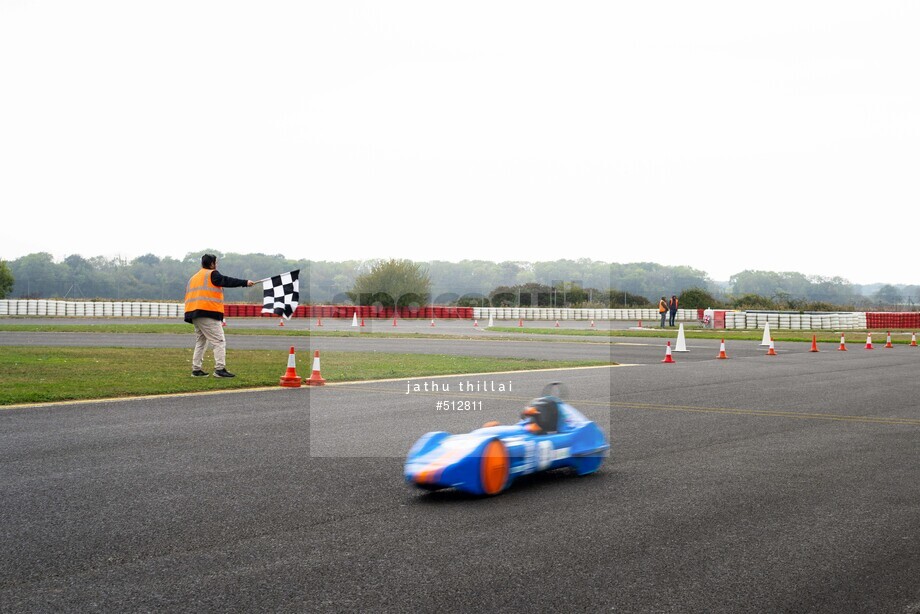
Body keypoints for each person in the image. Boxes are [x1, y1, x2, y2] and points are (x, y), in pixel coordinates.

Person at [183, 253, 255, 378]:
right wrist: (245, 282)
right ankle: (219, 369)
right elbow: (226, 281)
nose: (217, 265)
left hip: (194, 313)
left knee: (201, 341)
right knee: (219, 341)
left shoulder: (194, 277)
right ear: (212, 264)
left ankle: (196, 369)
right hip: (207, 312)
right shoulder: (212, 274)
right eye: (216, 262)